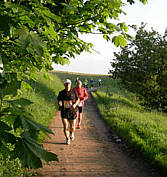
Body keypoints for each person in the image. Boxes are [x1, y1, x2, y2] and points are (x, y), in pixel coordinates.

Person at [57, 79, 80, 145]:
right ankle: (67, 139)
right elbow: (59, 100)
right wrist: (59, 103)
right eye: (66, 84)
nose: (67, 85)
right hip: (64, 111)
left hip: (72, 111)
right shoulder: (61, 93)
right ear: (64, 85)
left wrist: (75, 104)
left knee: (72, 127)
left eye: (69, 84)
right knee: (65, 126)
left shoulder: (74, 92)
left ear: (70, 84)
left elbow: (78, 99)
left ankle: (72, 133)